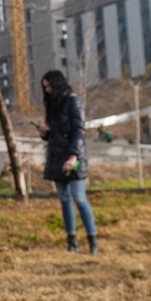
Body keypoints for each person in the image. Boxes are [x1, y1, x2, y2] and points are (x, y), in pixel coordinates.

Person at [36, 71, 95, 254]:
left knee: (80, 198)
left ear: (57, 83)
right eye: (44, 87)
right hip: (57, 158)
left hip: (73, 157)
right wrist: (45, 132)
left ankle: (92, 241)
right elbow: (56, 134)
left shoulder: (73, 101)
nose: (47, 90)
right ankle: (72, 242)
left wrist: (73, 156)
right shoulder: (53, 105)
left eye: (49, 86)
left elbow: (79, 130)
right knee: (64, 200)